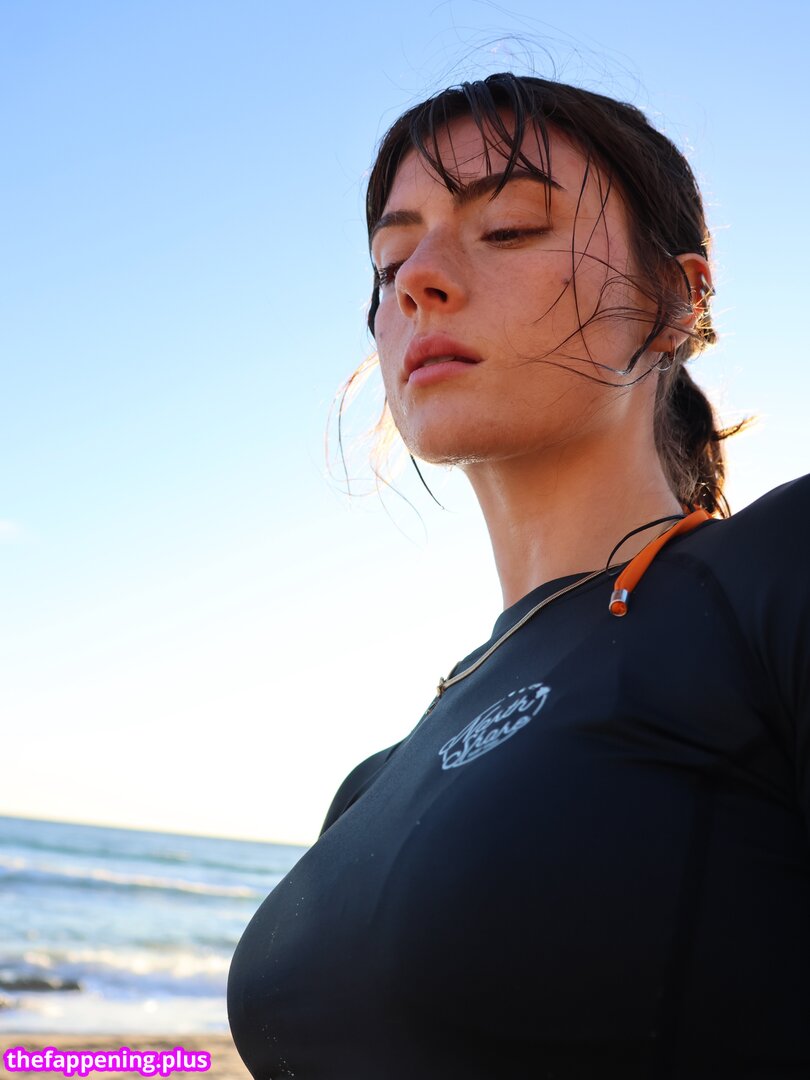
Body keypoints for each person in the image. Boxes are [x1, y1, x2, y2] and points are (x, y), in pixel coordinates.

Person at [227, 73, 810, 1079]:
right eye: (390, 259)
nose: (419, 280)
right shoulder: (369, 785)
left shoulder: (775, 577)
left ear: (673, 301)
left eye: (506, 229)